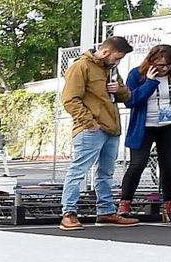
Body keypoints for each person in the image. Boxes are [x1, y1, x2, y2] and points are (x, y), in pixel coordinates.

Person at [118, 44, 171, 224]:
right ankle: (124, 205)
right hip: (145, 125)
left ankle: (169, 207)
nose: (164, 69)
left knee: (168, 166)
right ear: (151, 62)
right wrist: (150, 82)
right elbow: (131, 101)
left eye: (168, 65)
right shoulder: (137, 74)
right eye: (160, 65)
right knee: (137, 164)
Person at [58, 35, 136, 231]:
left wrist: (120, 88)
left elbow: (126, 96)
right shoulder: (81, 66)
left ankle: (106, 212)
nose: (118, 61)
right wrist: (89, 122)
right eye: (117, 57)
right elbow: (70, 99)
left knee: (106, 173)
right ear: (106, 51)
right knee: (79, 171)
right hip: (92, 128)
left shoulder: (111, 70)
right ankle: (68, 213)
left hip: (110, 127)